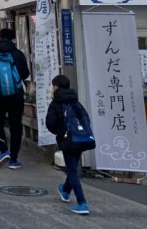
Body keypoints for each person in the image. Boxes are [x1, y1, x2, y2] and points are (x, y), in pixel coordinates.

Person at [0, 27, 30, 169]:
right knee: (16, 125)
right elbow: (25, 74)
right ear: (13, 38)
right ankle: (14, 159)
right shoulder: (17, 54)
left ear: (0, 37)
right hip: (16, 95)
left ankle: (3, 151)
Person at [46, 74, 90, 215]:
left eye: (53, 86)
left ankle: (82, 203)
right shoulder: (75, 102)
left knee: (71, 171)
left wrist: (59, 132)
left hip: (67, 140)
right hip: (81, 139)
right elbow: (86, 119)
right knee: (73, 167)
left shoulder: (56, 103)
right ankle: (65, 190)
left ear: (56, 87)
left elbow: (50, 124)